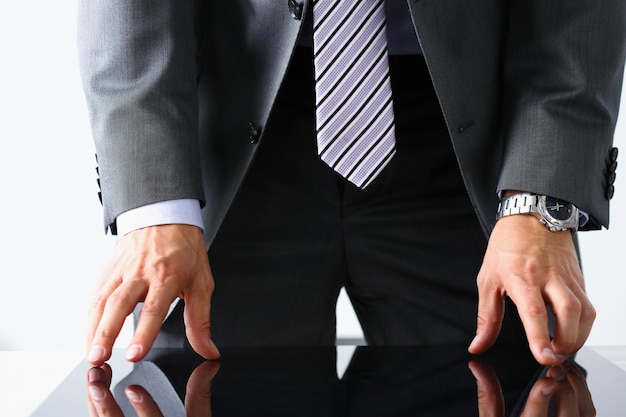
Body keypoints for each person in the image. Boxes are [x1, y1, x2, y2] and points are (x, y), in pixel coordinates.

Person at [78, 0, 626, 369]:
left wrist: (540, 198)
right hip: (238, 132)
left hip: (469, 136)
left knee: (508, 385)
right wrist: (156, 204)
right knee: (199, 386)